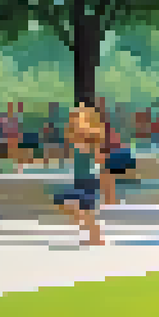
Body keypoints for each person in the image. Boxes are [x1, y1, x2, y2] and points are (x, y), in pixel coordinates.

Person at [53, 105, 107, 246]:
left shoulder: (91, 140)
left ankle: (96, 238)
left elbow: (98, 157)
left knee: (88, 211)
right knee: (62, 201)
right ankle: (92, 233)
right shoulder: (74, 139)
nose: (73, 123)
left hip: (89, 180)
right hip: (79, 179)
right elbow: (69, 132)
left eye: (76, 120)